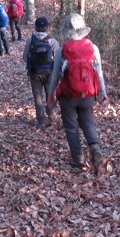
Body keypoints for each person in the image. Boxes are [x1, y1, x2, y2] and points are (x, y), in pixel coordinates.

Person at [47, 13, 109, 172]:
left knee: (70, 127)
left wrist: (50, 95)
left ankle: (78, 161)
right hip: (88, 94)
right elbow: (99, 72)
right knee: (87, 121)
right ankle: (96, 151)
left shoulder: (63, 50)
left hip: (68, 95)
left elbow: (55, 75)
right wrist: (103, 93)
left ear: (67, 31)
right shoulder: (92, 48)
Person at [22, 17, 60, 128]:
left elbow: (25, 57)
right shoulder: (52, 41)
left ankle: (41, 120)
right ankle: (52, 115)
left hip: (35, 73)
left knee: (37, 96)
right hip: (50, 73)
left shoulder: (30, 40)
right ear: (47, 28)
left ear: (35, 27)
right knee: (50, 93)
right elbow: (58, 58)